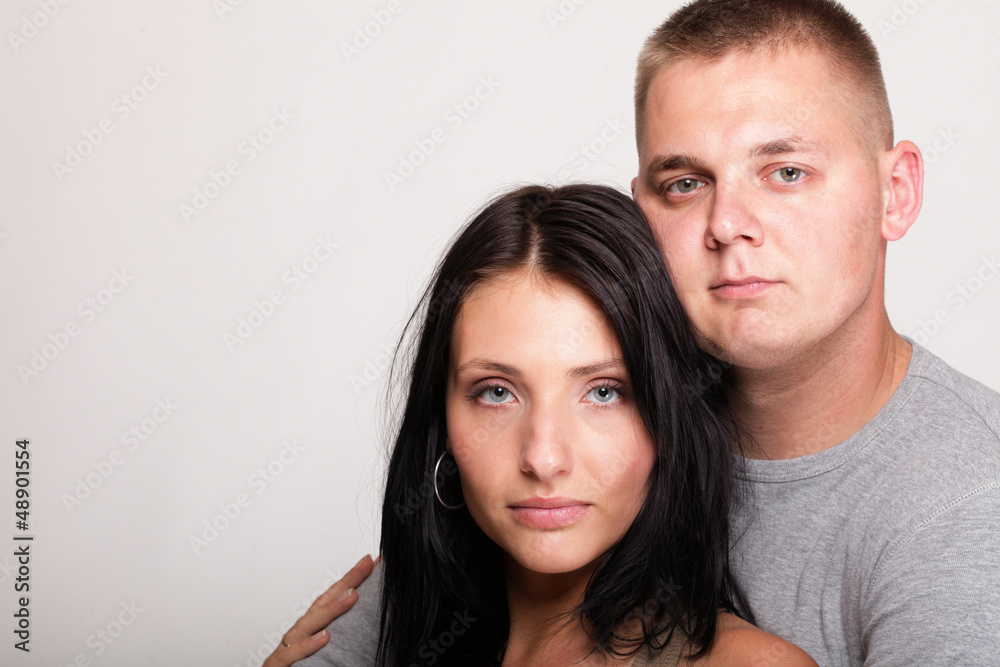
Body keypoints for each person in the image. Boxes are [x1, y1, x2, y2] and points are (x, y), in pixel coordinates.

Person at [270, 1, 1000, 664]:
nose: (726, 225)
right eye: (686, 183)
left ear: (895, 194)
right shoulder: (590, 436)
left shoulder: (966, 506)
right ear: (641, 211)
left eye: (785, 172)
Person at [267, 184, 817, 666]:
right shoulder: (391, 623)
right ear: (443, 423)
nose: (544, 457)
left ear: (669, 419)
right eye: (497, 393)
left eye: (604, 392)